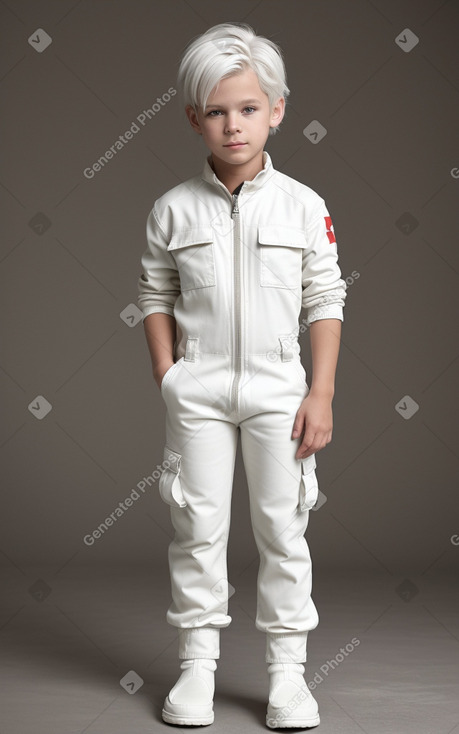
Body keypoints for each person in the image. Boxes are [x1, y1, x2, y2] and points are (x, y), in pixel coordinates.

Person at [137, 21, 347, 729]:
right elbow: (154, 295)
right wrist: (169, 374)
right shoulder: (172, 208)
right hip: (197, 393)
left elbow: (325, 299)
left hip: (278, 393)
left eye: (249, 108)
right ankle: (197, 669)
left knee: (283, 530)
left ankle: (288, 678)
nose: (234, 125)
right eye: (217, 111)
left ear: (277, 110)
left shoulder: (303, 206)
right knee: (195, 527)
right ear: (194, 117)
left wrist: (318, 392)